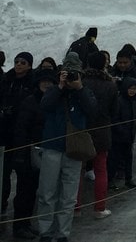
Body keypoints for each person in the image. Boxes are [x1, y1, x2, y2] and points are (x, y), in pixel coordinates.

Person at [37, 52, 97, 242]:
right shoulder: (55, 90)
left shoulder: (84, 91)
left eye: (74, 73)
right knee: (47, 192)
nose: (71, 76)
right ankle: (45, 232)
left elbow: (94, 111)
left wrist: (79, 88)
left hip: (74, 149)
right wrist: (60, 87)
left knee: (69, 195)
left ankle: (63, 233)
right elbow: (44, 106)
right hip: (53, 145)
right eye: (67, 73)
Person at [10, 68, 52, 239]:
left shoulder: (50, 100)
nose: (47, 85)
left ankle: (26, 223)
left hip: (40, 151)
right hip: (27, 152)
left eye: (50, 82)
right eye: (44, 82)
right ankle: (19, 226)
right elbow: (21, 129)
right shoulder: (30, 101)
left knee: (32, 191)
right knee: (23, 192)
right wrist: (20, 154)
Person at [76, 51, 118, 220]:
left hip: (82, 129)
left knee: (77, 169)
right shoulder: (110, 85)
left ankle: (75, 206)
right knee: (101, 169)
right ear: (103, 64)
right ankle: (100, 207)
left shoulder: (81, 82)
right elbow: (114, 111)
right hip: (102, 129)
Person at [1, 52, 35, 229]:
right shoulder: (6, 81)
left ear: (29, 65)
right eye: (16, 62)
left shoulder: (33, 83)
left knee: (25, 182)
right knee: (3, 178)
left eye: (23, 62)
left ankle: (22, 224)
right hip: (5, 136)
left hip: (24, 139)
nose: (19, 65)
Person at [107, 77, 136, 190]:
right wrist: (121, 130)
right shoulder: (119, 101)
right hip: (118, 136)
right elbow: (115, 119)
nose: (132, 91)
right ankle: (110, 179)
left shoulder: (134, 101)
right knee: (114, 159)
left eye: (134, 89)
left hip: (129, 135)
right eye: (130, 88)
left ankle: (128, 178)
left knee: (128, 158)